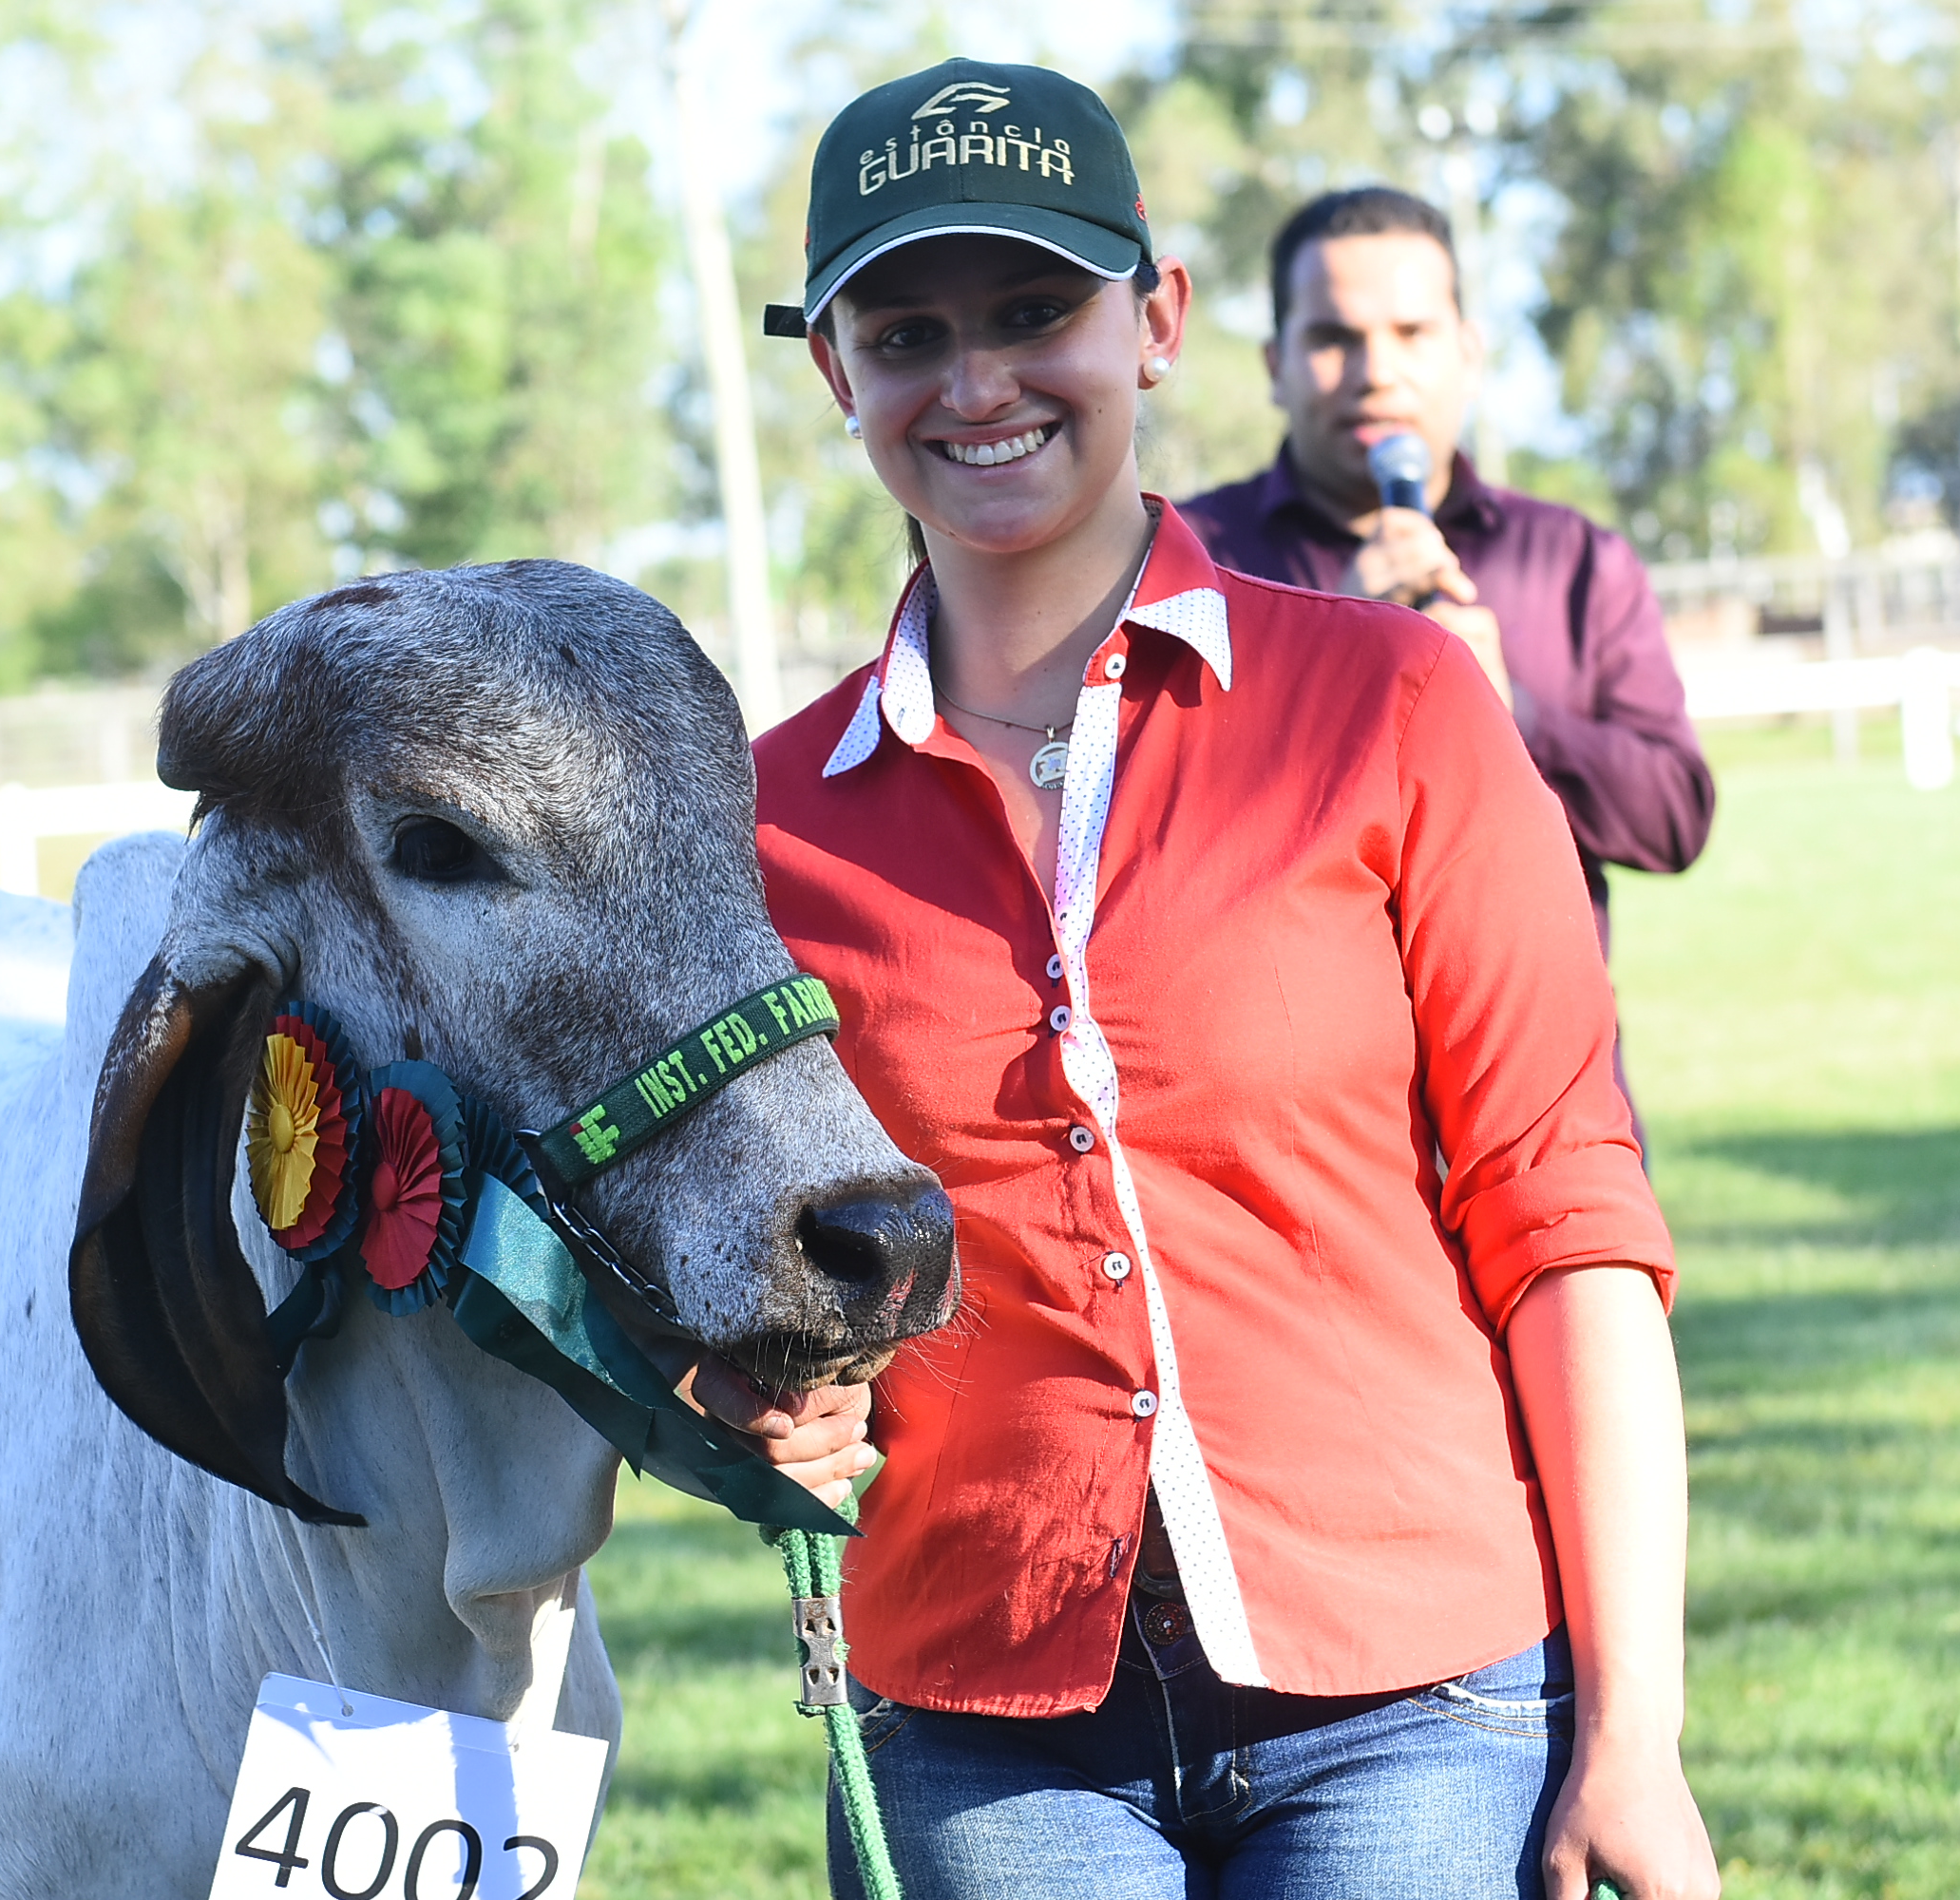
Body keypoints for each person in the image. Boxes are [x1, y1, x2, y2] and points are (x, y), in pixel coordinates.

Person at [704, 57, 1722, 1900]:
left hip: (1415, 1694)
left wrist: (1632, 1737)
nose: (977, 382)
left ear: (1156, 322)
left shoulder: (1396, 707)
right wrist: (750, 1392)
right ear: (836, 375)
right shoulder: (762, 822)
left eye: (1034, 313)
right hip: (977, 1720)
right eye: (908, 334)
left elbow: (1566, 1218)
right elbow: (720, 1261)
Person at [1180, 187, 1713, 1016]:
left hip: (1545, 1078)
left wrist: (1510, 712)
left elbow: (1674, 821)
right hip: (1294, 1081)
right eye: (1333, 339)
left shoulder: (1574, 561)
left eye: (1411, 333)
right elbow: (1150, 841)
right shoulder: (1186, 562)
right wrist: (1329, 662)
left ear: (1469, 352)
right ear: (1275, 365)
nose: (1376, 373)